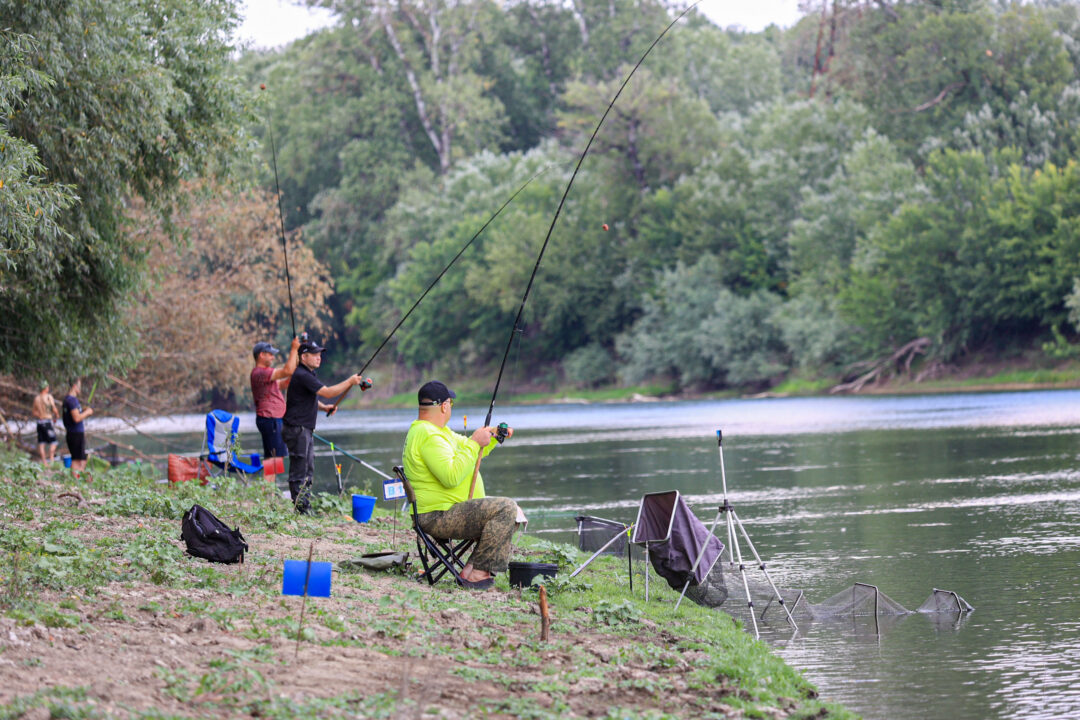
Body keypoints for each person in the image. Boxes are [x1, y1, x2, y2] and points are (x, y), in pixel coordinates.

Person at [402, 380, 518, 590]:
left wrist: (491, 437)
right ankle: (478, 574)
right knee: (506, 508)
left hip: (449, 511)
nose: (451, 408)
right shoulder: (428, 435)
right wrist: (474, 442)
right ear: (444, 406)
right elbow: (451, 476)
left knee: (514, 515)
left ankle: (471, 568)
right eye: (451, 404)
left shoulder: (440, 432)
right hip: (437, 516)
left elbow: (471, 451)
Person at [282, 339, 367, 514]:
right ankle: (300, 508)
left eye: (319, 354)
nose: (319, 357)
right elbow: (327, 392)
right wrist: (350, 381)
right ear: (304, 357)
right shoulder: (302, 374)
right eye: (314, 355)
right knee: (300, 469)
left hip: (304, 428)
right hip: (297, 428)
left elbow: (309, 398)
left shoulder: (309, 374)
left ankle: (305, 505)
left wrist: (324, 407)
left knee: (308, 468)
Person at [250, 336, 300, 484]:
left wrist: (295, 369)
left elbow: (283, 383)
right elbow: (287, 370)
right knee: (273, 457)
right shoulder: (260, 372)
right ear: (262, 355)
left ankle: (270, 490)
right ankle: (267, 491)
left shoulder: (267, 376)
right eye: (270, 354)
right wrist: (294, 349)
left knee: (277, 457)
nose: (273, 357)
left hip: (275, 419)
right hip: (269, 419)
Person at [61, 379, 93, 474]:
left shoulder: (68, 399)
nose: (80, 388)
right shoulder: (72, 400)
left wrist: (82, 410)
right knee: (78, 461)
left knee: (82, 460)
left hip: (73, 433)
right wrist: (88, 412)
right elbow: (76, 418)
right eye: (79, 386)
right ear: (74, 386)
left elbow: (73, 414)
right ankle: (75, 480)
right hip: (75, 434)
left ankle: (77, 479)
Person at [32, 380, 60, 464]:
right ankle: (51, 459)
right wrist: (57, 415)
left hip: (39, 422)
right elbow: (53, 408)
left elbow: (34, 412)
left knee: (42, 443)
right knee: (54, 442)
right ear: (45, 388)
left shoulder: (36, 398)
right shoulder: (48, 397)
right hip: (47, 422)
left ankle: (44, 462)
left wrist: (40, 415)